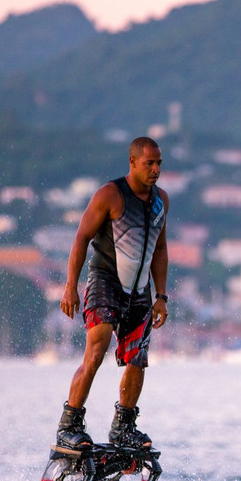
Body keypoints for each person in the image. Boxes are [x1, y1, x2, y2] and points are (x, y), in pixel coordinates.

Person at [55, 136, 170, 453]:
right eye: (150, 163)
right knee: (98, 345)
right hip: (105, 279)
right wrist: (70, 286)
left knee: (138, 358)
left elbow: (160, 249)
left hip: (140, 289)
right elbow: (81, 239)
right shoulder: (110, 194)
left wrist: (161, 296)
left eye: (159, 163)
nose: (156, 169)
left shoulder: (161, 201)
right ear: (133, 162)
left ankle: (124, 427)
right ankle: (69, 425)